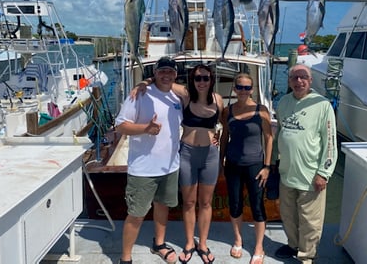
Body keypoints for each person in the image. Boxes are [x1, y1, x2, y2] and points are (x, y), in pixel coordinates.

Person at [132, 64, 223, 264]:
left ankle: (203, 244)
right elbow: (160, 79)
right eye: (197, 78)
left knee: (206, 203)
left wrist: (217, 140)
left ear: (211, 80)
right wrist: (142, 83)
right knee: (189, 202)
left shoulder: (218, 100)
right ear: (192, 80)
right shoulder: (185, 95)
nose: (201, 82)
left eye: (205, 78)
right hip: (188, 154)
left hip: (210, 155)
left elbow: (221, 125)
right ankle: (190, 242)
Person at [115, 56, 182, 264]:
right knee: (136, 214)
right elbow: (120, 126)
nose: (165, 75)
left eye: (170, 71)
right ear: (155, 73)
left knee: (162, 206)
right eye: (161, 71)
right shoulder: (140, 94)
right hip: (143, 169)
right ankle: (125, 257)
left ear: (175, 75)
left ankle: (159, 244)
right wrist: (145, 129)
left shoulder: (177, 97)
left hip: (170, 166)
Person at [273, 64, 338, 264]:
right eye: (294, 77)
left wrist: (323, 173)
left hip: (311, 175)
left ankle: (307, 255)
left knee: (310, 220)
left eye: (303, 77)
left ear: (310, 81)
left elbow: (330, 142)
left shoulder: (322, 104)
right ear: (290, 81)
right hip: (287, 172)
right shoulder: (283, 102)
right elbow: (281, 134)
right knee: (288, 214)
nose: (299, 81)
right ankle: (293, 244)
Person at [219, 73, 273, 264]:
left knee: (257, 205)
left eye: (247, 87)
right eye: (239, 87)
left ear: (252, 89)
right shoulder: (228, 111)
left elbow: (268, 138)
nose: (243, 91)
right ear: (234, 89)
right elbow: (225, 136)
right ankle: (238, 240)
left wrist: (267, 166)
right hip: (233, 164)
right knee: (235, 204)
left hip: (255, 165)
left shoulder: (261, 110)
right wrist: (220, 161)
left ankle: (259, 246)